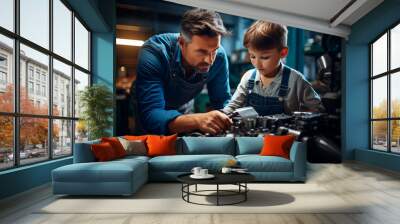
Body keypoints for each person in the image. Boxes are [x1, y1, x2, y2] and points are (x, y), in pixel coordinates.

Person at [131, 8, 232, 135]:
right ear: (182, 42)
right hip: (151, 108)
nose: (209, 60)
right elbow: (152, 115)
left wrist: (228, 119)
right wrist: (197, 119)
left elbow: (221, 100)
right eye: (201, 52)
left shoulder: (220, 57)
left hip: (184, 104)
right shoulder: (154, 52)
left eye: (214, 50)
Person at [223, 21, 323, 116]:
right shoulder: (248, 77)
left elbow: (318, 110)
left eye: (265, 57)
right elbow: (233, 106)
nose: (257, 64)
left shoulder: (296, 80)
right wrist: (221, 115)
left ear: (283, 53)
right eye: (252, 56)